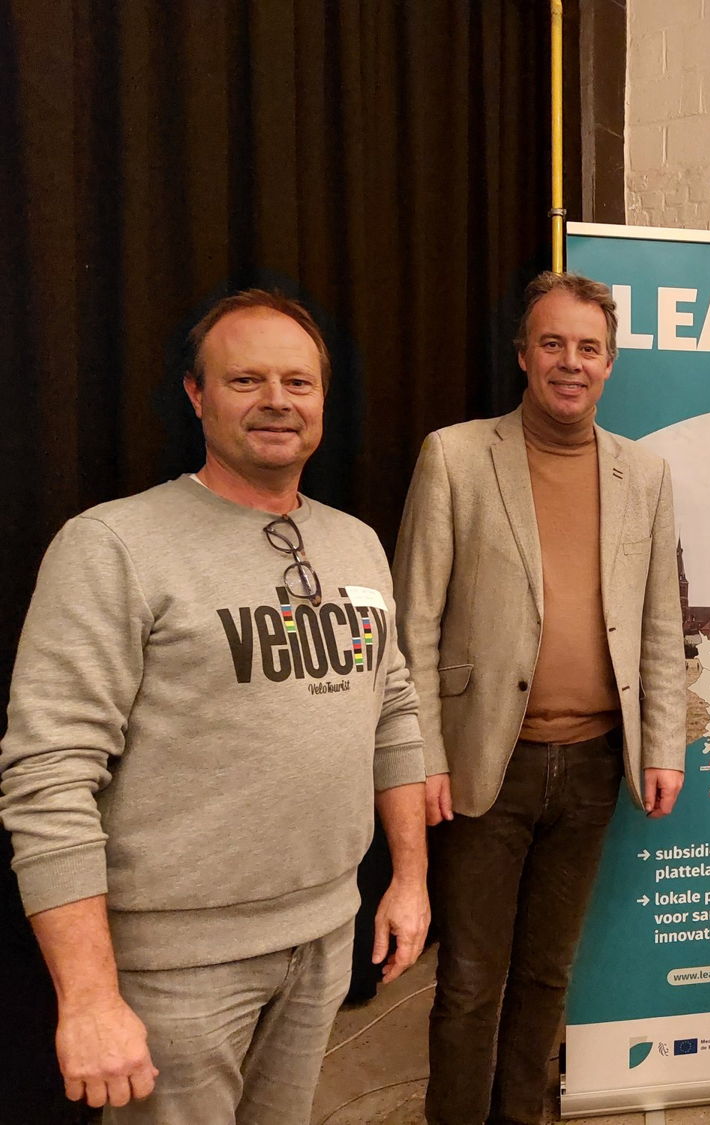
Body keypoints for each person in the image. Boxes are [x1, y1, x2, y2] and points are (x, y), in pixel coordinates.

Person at [0, 289, 430, 1123]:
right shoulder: (113, 546)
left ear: (322, 402)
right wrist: (88, 997)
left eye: (299, 383)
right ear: (197, 395)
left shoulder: (355, 542)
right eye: (247, 380)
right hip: (177, 971)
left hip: (325, 935)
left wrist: (408, 878)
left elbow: (395, 711)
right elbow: (49, 776)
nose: (277, 400)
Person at [393, 270, 687, 1125]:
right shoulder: (454, 457)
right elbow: (414, 625)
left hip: (597, 767)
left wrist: (662, 744)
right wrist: (425, 758)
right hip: (488, 765)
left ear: (610, 362)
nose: (571, 361)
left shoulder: (647, 473)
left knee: (549, 974)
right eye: (552, 343)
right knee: (472, 981)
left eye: (588, 347)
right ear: (523, 355)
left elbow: (660, 626)